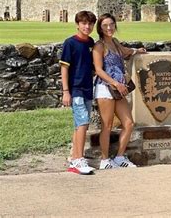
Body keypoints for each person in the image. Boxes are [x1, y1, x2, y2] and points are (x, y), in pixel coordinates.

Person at [92, 13, 146, 169]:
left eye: (111, 24)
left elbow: (125, 51)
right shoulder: (99, 46)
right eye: (105, 25)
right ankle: (104, 160)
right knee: (107, 126)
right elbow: (98, 70)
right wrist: (115, 83)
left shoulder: (114, 42)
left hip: (118, 89)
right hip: (106, 87)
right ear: (100, 28)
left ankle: (119, 157)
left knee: (128, 123)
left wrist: (136, 51)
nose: (109, 28)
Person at [60, 10, 97, 174]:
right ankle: (78, 160)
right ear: (77, 24)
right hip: (75, 89)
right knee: (82, 122)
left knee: (81, 124)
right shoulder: (70, 43)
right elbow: (64, 68)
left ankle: (74, 155)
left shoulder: (91, 42)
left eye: (90, 24)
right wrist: (66, 91)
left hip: (88, 87)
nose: (87, 26)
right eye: (83, 23)